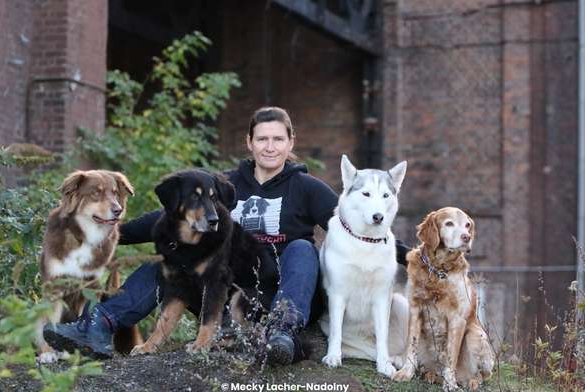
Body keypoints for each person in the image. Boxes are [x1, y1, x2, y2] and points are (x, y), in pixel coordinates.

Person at [44, 106, 410, 365]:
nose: (270, 146)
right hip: (223, 289)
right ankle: (99, 325)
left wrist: (413, 257)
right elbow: (168, 216)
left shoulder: (307, 189)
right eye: (262, 138)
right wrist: (113, 232)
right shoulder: (224, 184)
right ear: (249, 142)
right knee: (168, 263)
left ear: (290, 142)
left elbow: (357, 230)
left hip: (279, 289)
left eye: (278, 139)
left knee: (302, 247)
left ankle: (283, 334)